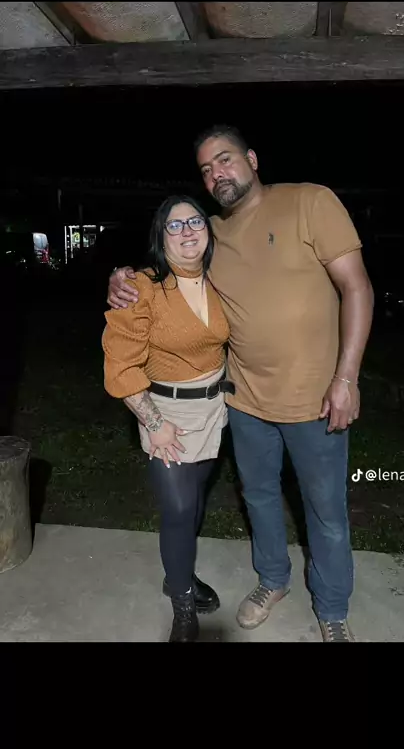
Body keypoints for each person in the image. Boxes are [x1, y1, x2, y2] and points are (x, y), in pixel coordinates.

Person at [107, 126, 375, 643]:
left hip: (318, 401)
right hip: (244, 402)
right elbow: (166, 266)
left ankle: (333, 608)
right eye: (206, 170)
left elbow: (357, 286)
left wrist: (346, 378)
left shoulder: (310, 202)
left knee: (326, 512)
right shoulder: (210, 232)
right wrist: (121, 278)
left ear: (252, 159)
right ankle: (272, 580)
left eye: (225, 160)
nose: (217, 174)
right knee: (260, 497)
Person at [101, 194, 232, 643]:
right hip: (165, 413)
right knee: (177, 509)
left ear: (208, 230)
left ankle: (180, 573)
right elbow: (121, 365)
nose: (187, 231)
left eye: (195, 221)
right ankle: (183, 606)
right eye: (174, 225)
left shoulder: (222, 279)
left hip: (214, 409)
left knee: (194, 503)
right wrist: (155, 424)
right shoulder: (142, 287)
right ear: (161, 237)